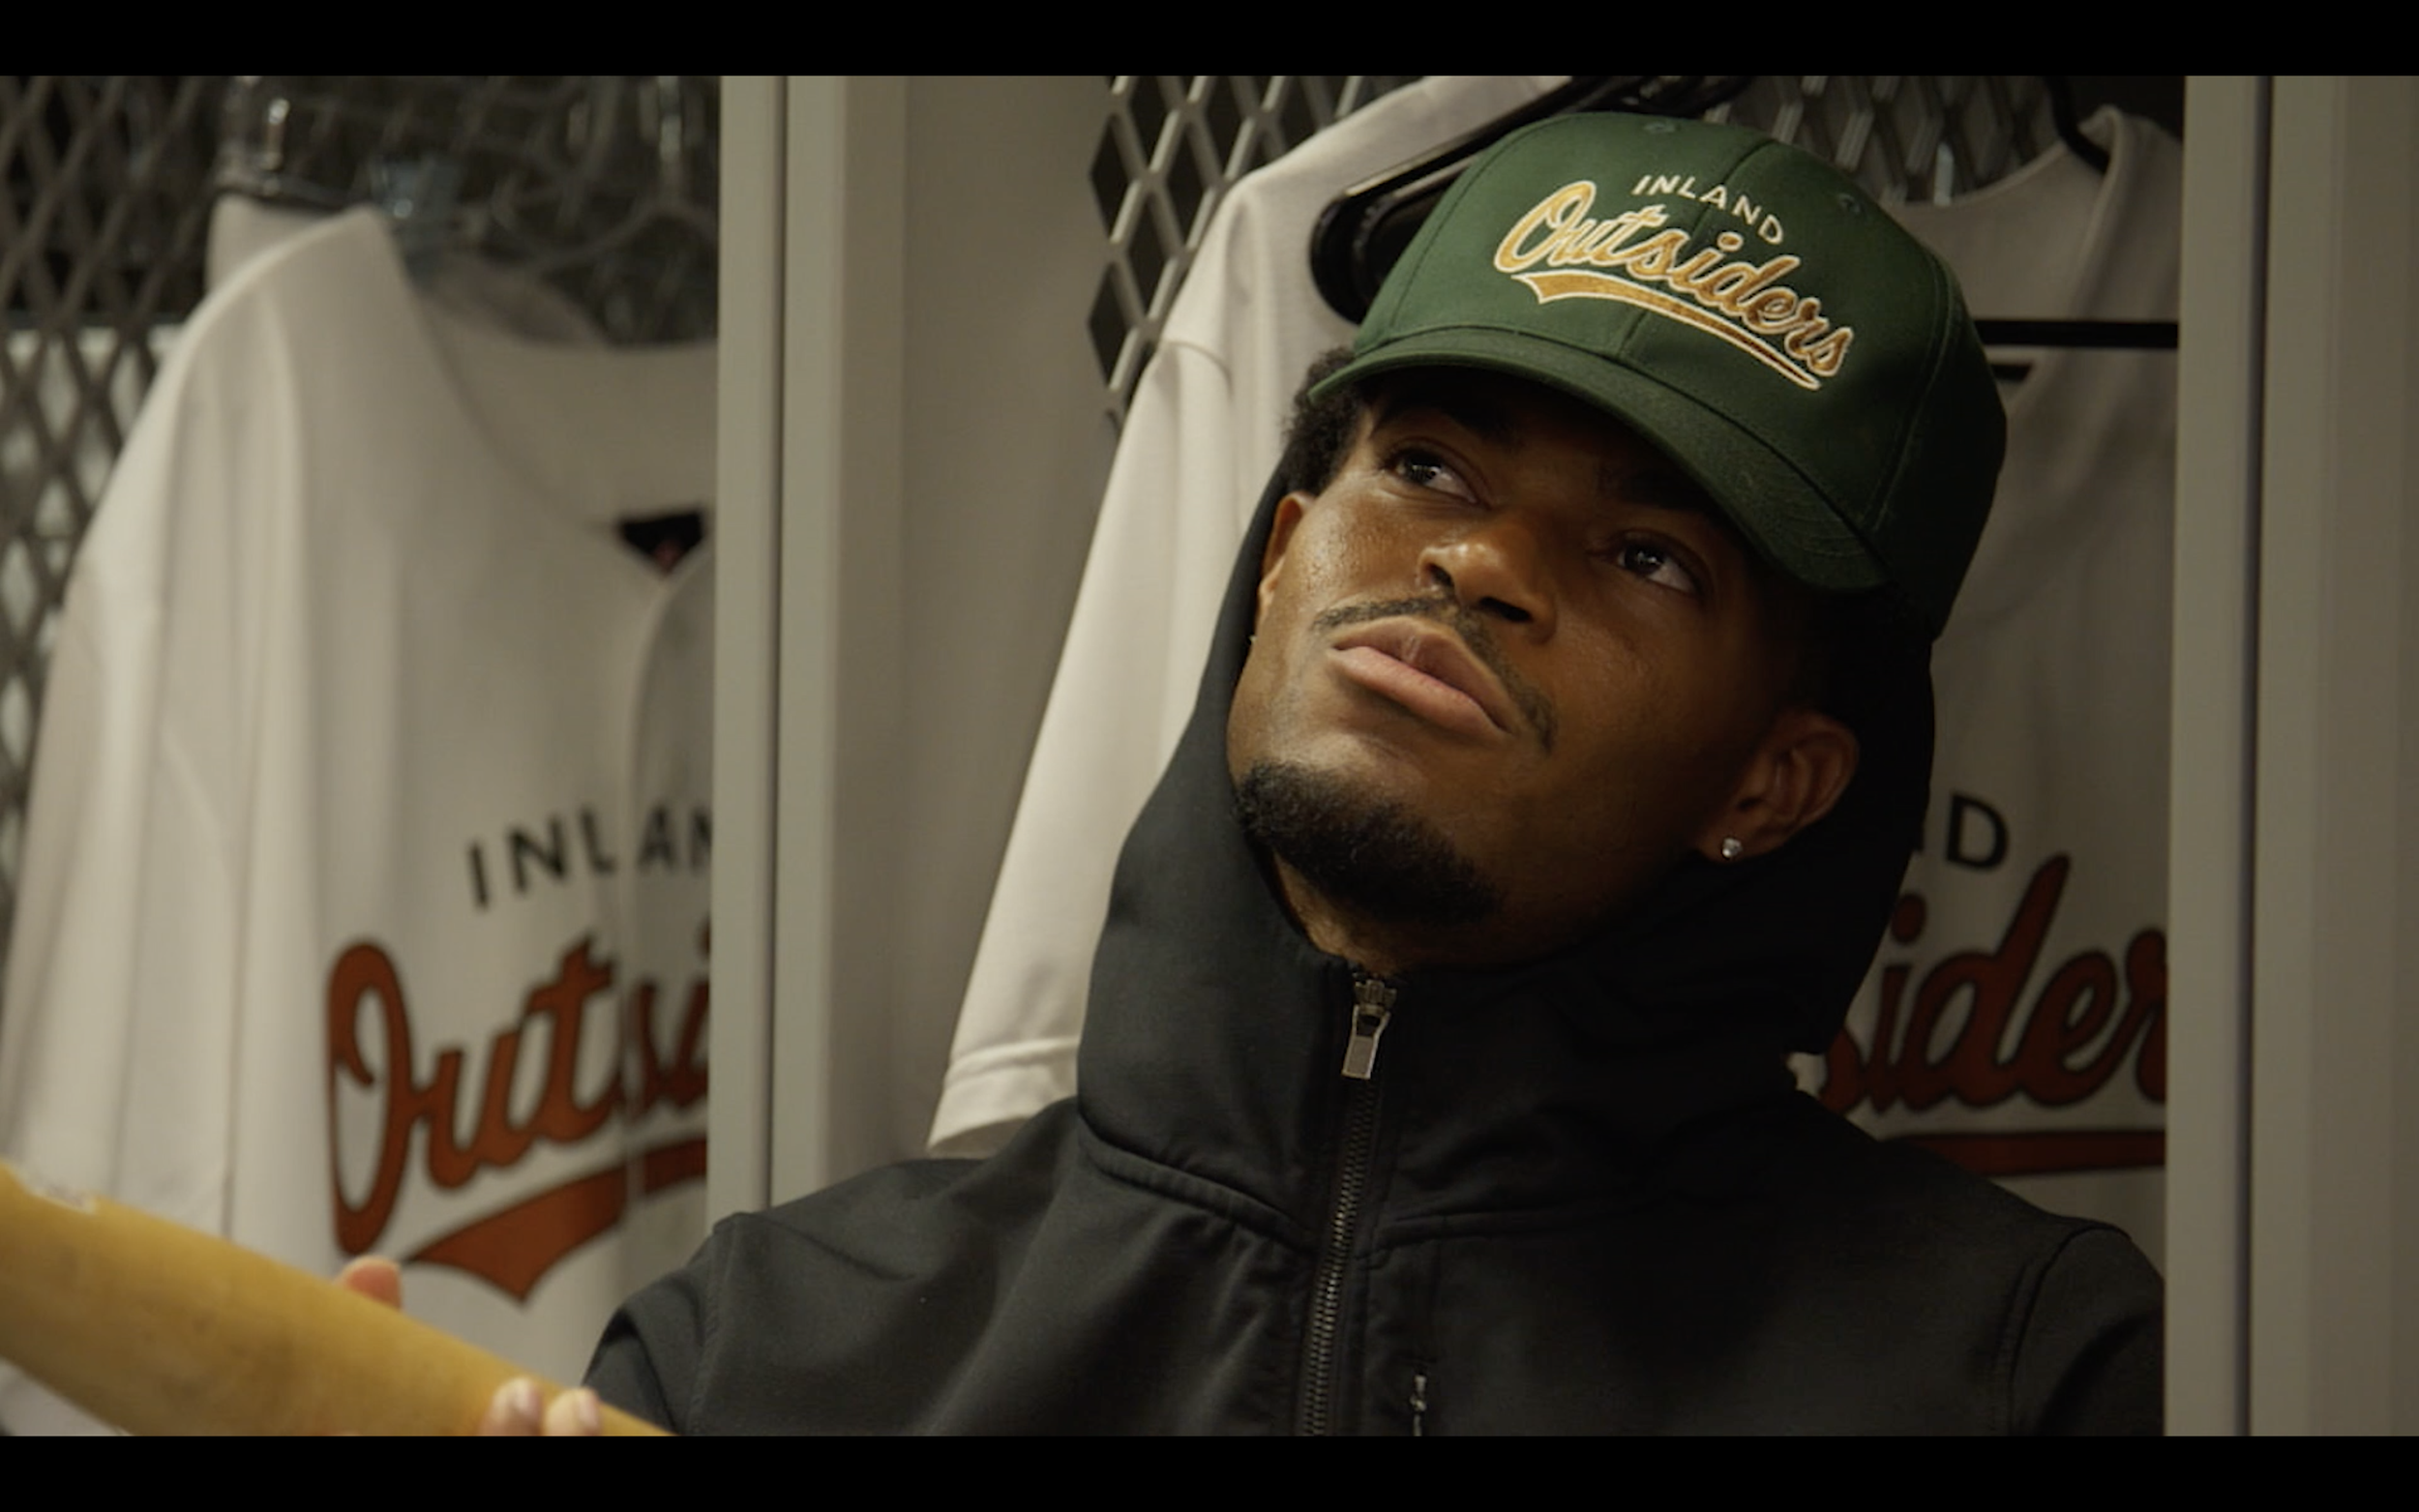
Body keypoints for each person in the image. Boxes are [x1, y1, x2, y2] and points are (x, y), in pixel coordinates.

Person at [376, 111, 2164, 1434]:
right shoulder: (779, 1350)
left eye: (1647, 558)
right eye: (1435, 468)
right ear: (1284, 551)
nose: (1474, 565)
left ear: (1777, 780)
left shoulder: (2020, 1378)